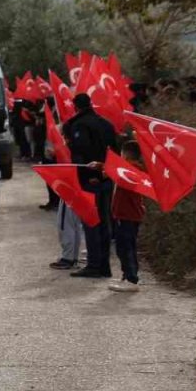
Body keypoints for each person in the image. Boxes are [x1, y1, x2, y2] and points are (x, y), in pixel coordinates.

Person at [63, 93, 119, 278]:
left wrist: (88, 176)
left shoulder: (80, 125)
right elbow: (116, 151)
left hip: (91, 179)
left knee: (91, 222)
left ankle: (95, 265)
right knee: (105, 221)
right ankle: (104, 266)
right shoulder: (106, 123)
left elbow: (81, 153)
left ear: (75, 106)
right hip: (107, 176)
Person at [90, 140, 146, 292]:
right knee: (125, 246)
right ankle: (126, 275)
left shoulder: (133, 170)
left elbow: (120, 172)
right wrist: (102, 166)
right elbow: (116, 171)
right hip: (125, 214)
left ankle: (131, 279)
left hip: (128, 214)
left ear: (125, 154)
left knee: (126, 247)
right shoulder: (127, 169)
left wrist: (106, 168)